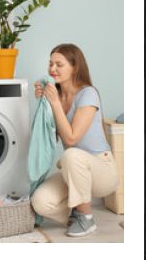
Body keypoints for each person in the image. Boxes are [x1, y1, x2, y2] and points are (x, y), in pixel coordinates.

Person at [31, 43, 119, 237]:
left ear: (75, 67)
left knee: (70, 154)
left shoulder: (88, 94)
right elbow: (49, 135)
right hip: (74, 169)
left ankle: (86, 218)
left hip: (101, 171)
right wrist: (45, 104)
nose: (52, 69)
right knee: (40, 202)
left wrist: (53, 102)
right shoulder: (57, 94)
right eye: (50, 64)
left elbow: (71, 139)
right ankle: (76, 212)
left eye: (59, 64)